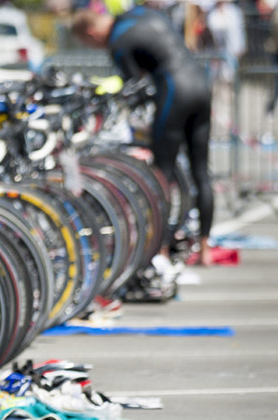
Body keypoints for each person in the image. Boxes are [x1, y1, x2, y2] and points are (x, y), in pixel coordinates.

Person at [72, 6, 216, 263]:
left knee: (162, 173)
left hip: (174, 89)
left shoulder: (118, 42)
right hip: (200, 83)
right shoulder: (137, 14)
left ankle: (159, 249)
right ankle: (205, 249)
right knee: (201, 172)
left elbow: (132, 86)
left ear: (92, 33)